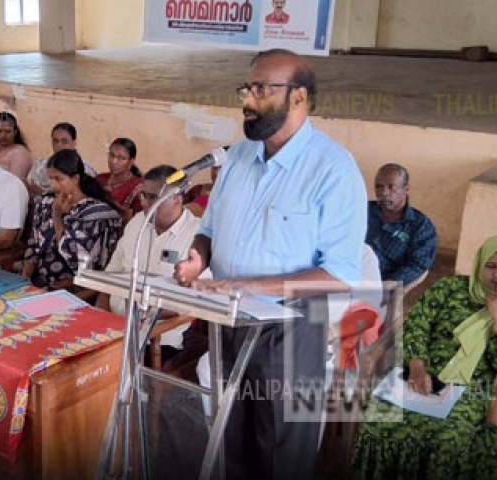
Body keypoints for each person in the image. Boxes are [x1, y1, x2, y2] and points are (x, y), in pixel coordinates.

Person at [173, 49, 367, 480]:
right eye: (248, 88)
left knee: (282, 455)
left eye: (262, 89)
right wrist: (197, 257)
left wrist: (246, 285)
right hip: (229, 322)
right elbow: (209, 227)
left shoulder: (333, 169)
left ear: (299, 97)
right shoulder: (239, 157)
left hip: (291, 332)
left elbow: (338, 274)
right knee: (231, 442)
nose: (249, 99)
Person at [353, 235, 497, 480]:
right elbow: (418, 324)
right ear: (480, 265)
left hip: (470, 389)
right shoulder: (450, 288)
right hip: (420, 374)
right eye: (491, 266)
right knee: (379, 420)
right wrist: (417, 367)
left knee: (446, 437)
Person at [99, 165, 203, 360]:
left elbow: (195, 300)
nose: (145, 203)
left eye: (153, 198)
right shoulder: (137, 223)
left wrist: (143, 318)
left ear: (177, 198)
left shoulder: (197, 236)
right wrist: (101, 315)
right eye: (143, 196)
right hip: (114, 329)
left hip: (158, 338)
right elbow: (110, 275)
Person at [22, 149, 122, 290]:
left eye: (59, 179)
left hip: (73, 286)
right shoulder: (45, 202)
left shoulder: (95, 214)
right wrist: (24, 280)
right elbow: (33, 245)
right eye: (50, 179)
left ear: (75, 178)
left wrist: (57, 215)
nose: (54, 185)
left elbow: (77, 259)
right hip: (39, 282)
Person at [366, 163, 438, 287]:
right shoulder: (363, 210)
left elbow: (418, 264)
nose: (384, 192)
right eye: (378, 186)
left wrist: (392, 282)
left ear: (406, 188)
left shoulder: (420, 226)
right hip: (350, 275)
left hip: (383, 283)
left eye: (391, 187)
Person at [26, 122, 97, 196]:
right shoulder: (40, 164)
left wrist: (45, 193)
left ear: (74, 142)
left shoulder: (84, 168)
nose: (59, 145)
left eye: (64, 141)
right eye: (55, 141)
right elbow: (30, 186)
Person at [96, 137, 143, 220]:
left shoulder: (138, 188)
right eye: (112, 155)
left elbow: (138, 219)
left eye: (121, 158)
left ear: (131, 161)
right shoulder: (99, 179)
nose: (114, 161)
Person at [0, 111, 33, 179]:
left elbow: (15, 180)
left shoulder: (20, 152)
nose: (3, 135)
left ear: (15, 132)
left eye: (8, 131)